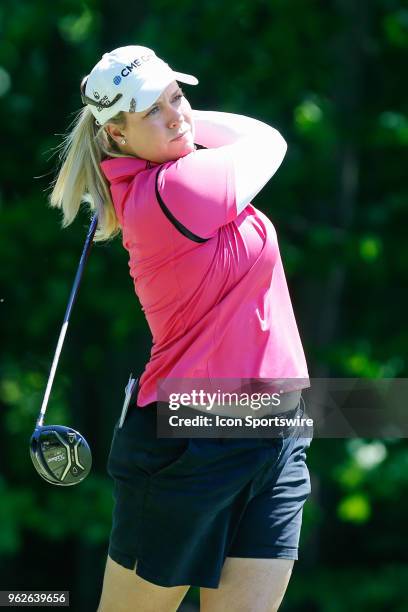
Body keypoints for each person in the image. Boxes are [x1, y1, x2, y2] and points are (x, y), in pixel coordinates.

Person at [50, 45, 313, 612]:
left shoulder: (174, 175)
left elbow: (239, 139)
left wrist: (175, 120)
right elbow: (268, 140)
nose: (176, 115)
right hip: (191, 441)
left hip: (277, 433)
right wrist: (187, 125)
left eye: (178, 96)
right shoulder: (173, 191)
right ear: (115, 137)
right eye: (150, 111)